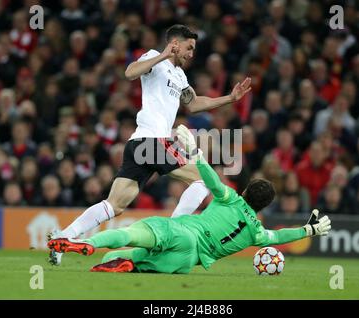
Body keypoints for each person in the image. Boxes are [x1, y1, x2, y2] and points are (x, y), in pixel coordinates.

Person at [48, 25, 252, 265]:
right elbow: (130, 73)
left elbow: (194, 104)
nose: (191, 54)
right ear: (175, 43)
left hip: (141, 144)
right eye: (189, 48)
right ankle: (173, 232)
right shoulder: (154, 58)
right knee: (203, 180)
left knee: (114, 205)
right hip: (152, 141)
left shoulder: (180, 76)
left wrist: (229, 98)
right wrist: (164, 54)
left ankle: (62, 237)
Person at [48, 125, 331, 274]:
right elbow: (278, 236)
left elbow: (209, 179)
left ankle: (81, 242)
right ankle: (131, 263)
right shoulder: (257, 232)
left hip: (179, 230)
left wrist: (195, 150)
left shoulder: (231, 198)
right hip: (187, 259)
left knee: (125, 236)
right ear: (263, 207)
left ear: (245, 192)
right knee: (128, 260)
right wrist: (309, 230)